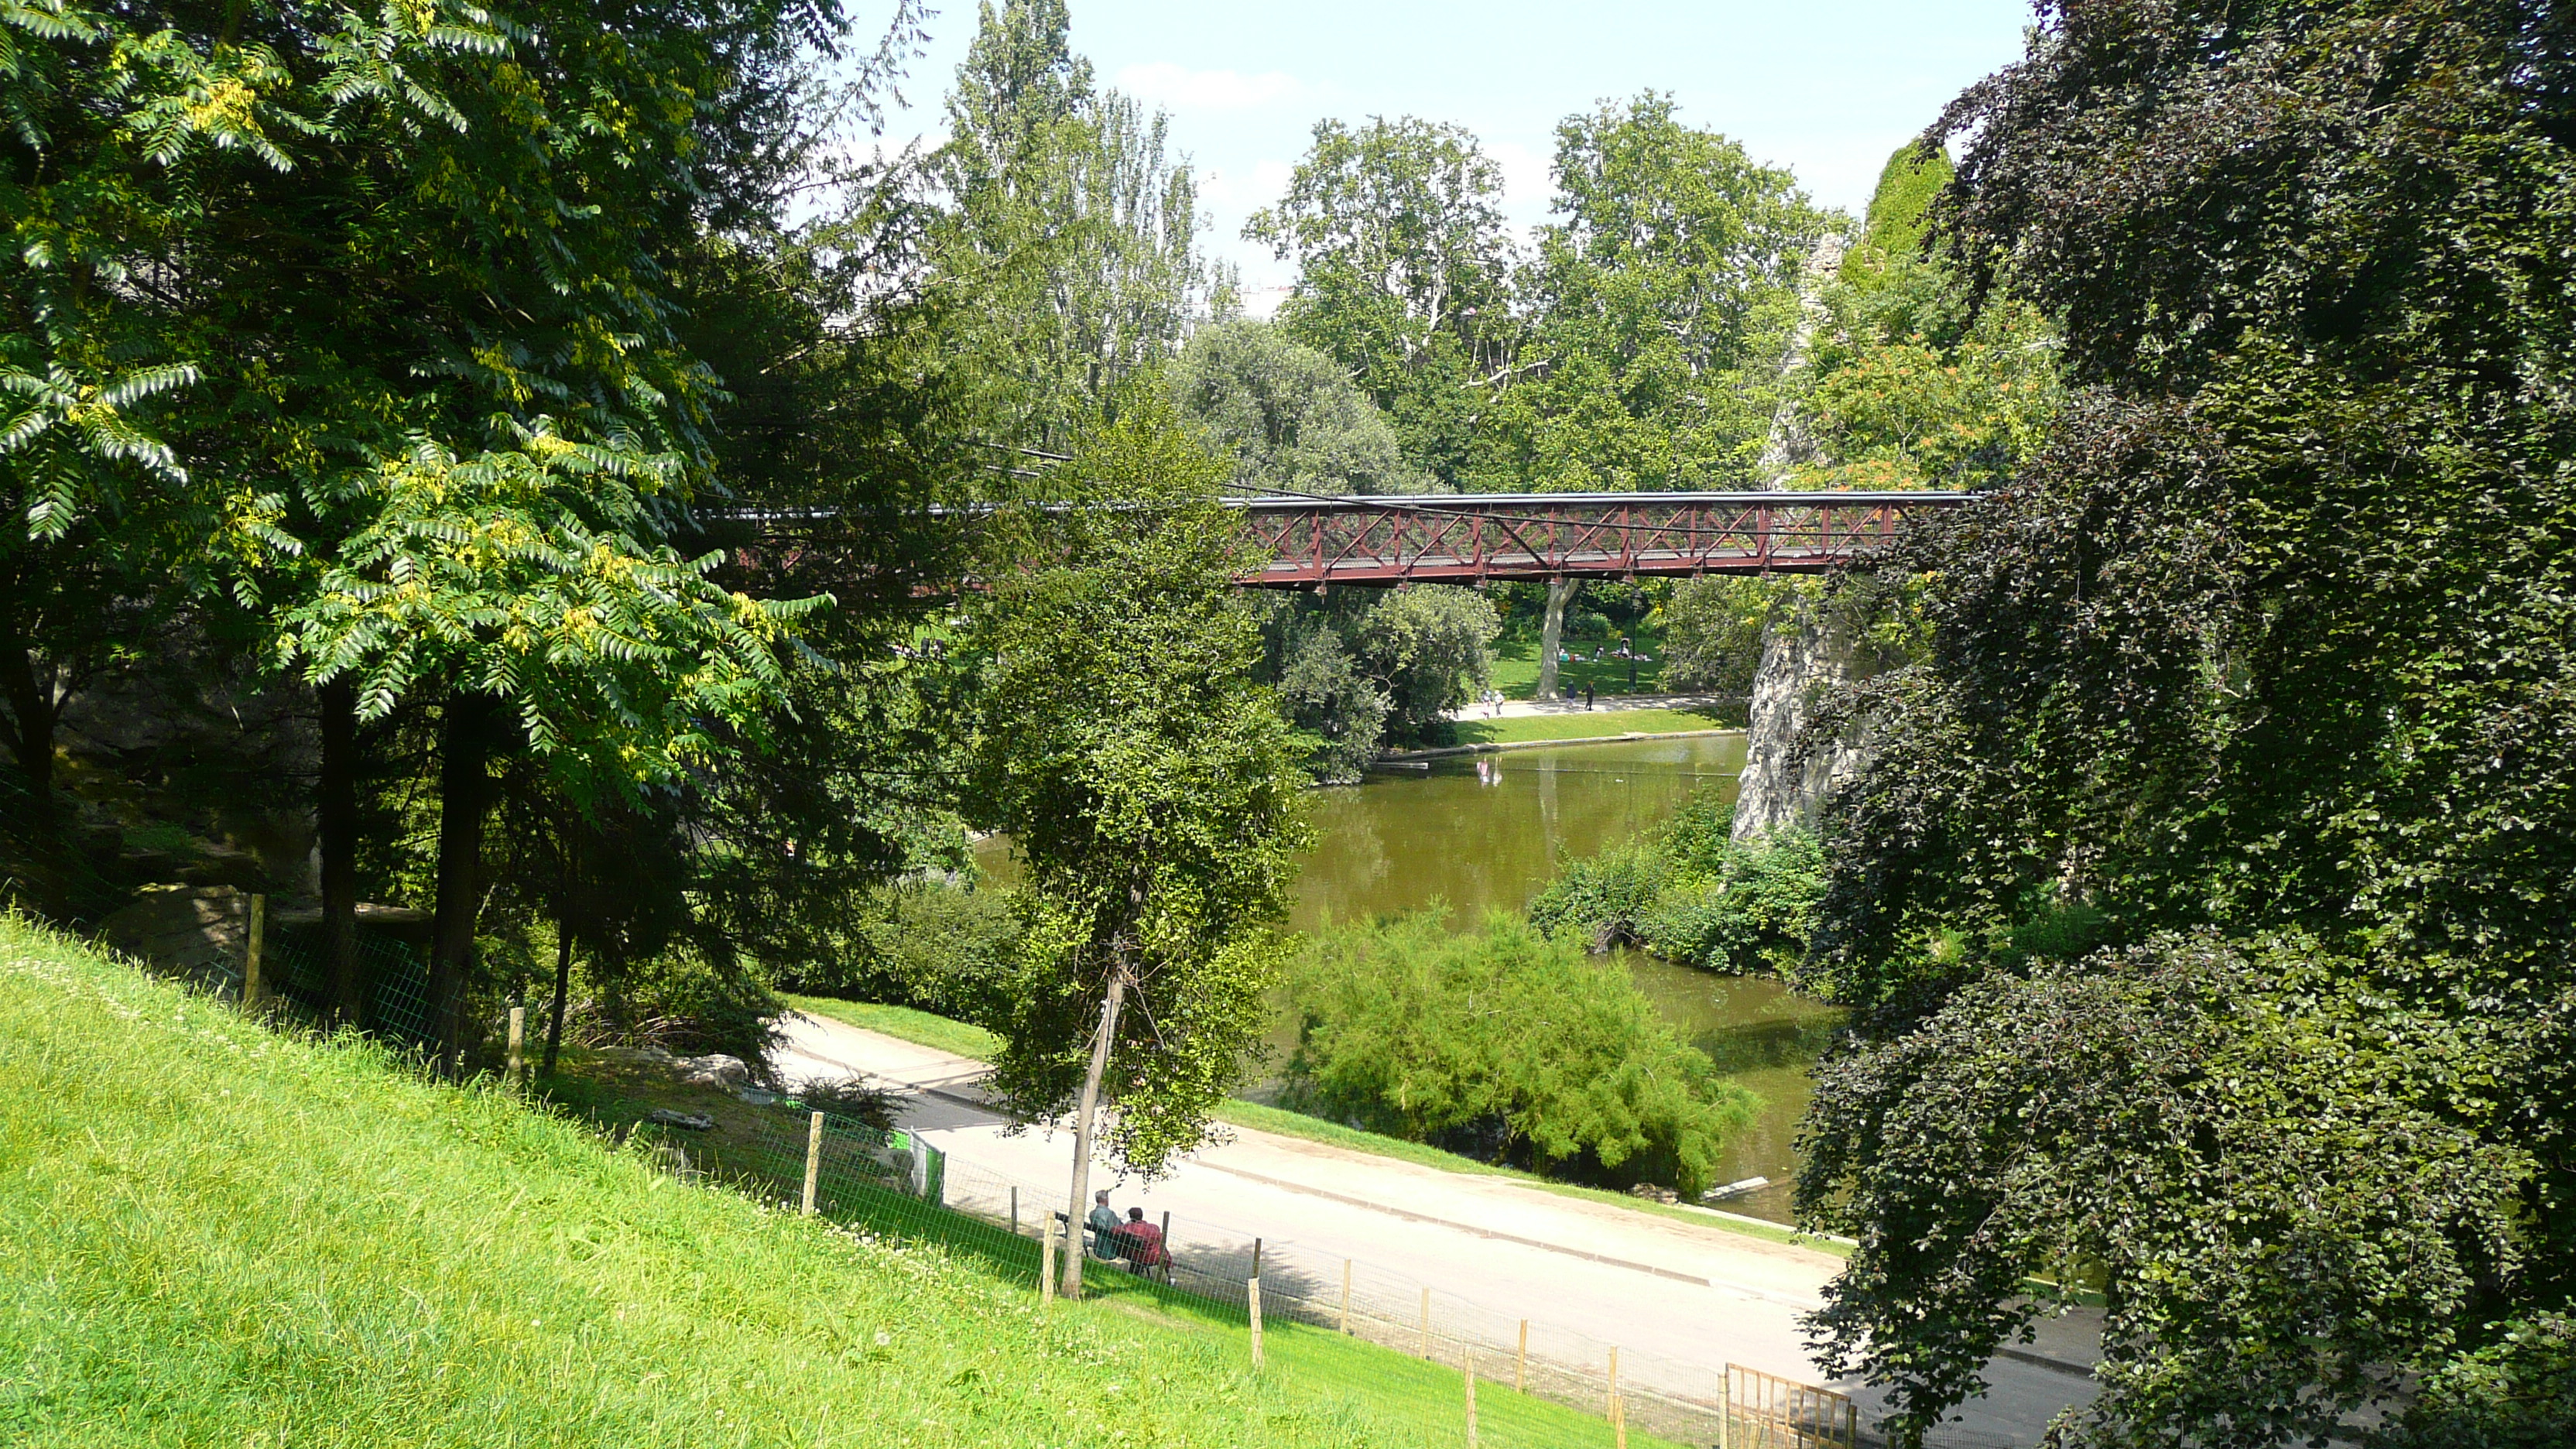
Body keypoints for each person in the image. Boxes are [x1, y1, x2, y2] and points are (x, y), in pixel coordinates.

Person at [1117, 1206, 1170, 1279]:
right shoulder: (1153, 1227)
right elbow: (1161, 1239)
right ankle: (1169, 1277)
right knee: (1163, 1250)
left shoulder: (1129, 1227)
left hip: (1139, 1257)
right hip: (1156, 1256)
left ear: (1131, 1217)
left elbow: (1115, 1230)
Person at [1084, 1190, 1122, 1261]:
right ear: (1105, 1199)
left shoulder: (1092, 1214)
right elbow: (1118, 1228)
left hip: (1098, 1248)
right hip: (1109, 1251)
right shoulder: (1110, 1214)